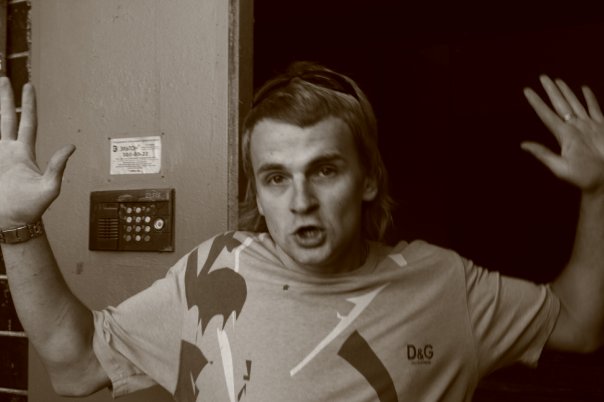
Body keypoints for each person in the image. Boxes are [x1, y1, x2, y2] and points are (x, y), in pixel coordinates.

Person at [0, 61, 603, 401]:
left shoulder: (443, 284)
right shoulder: (214, 271)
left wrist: (599, 192)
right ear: (258, 194)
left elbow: (579, 325)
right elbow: (74, 363)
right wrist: (16, 224)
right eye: (276, 178)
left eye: (325, 170)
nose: (301, 201)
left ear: (369, 180)